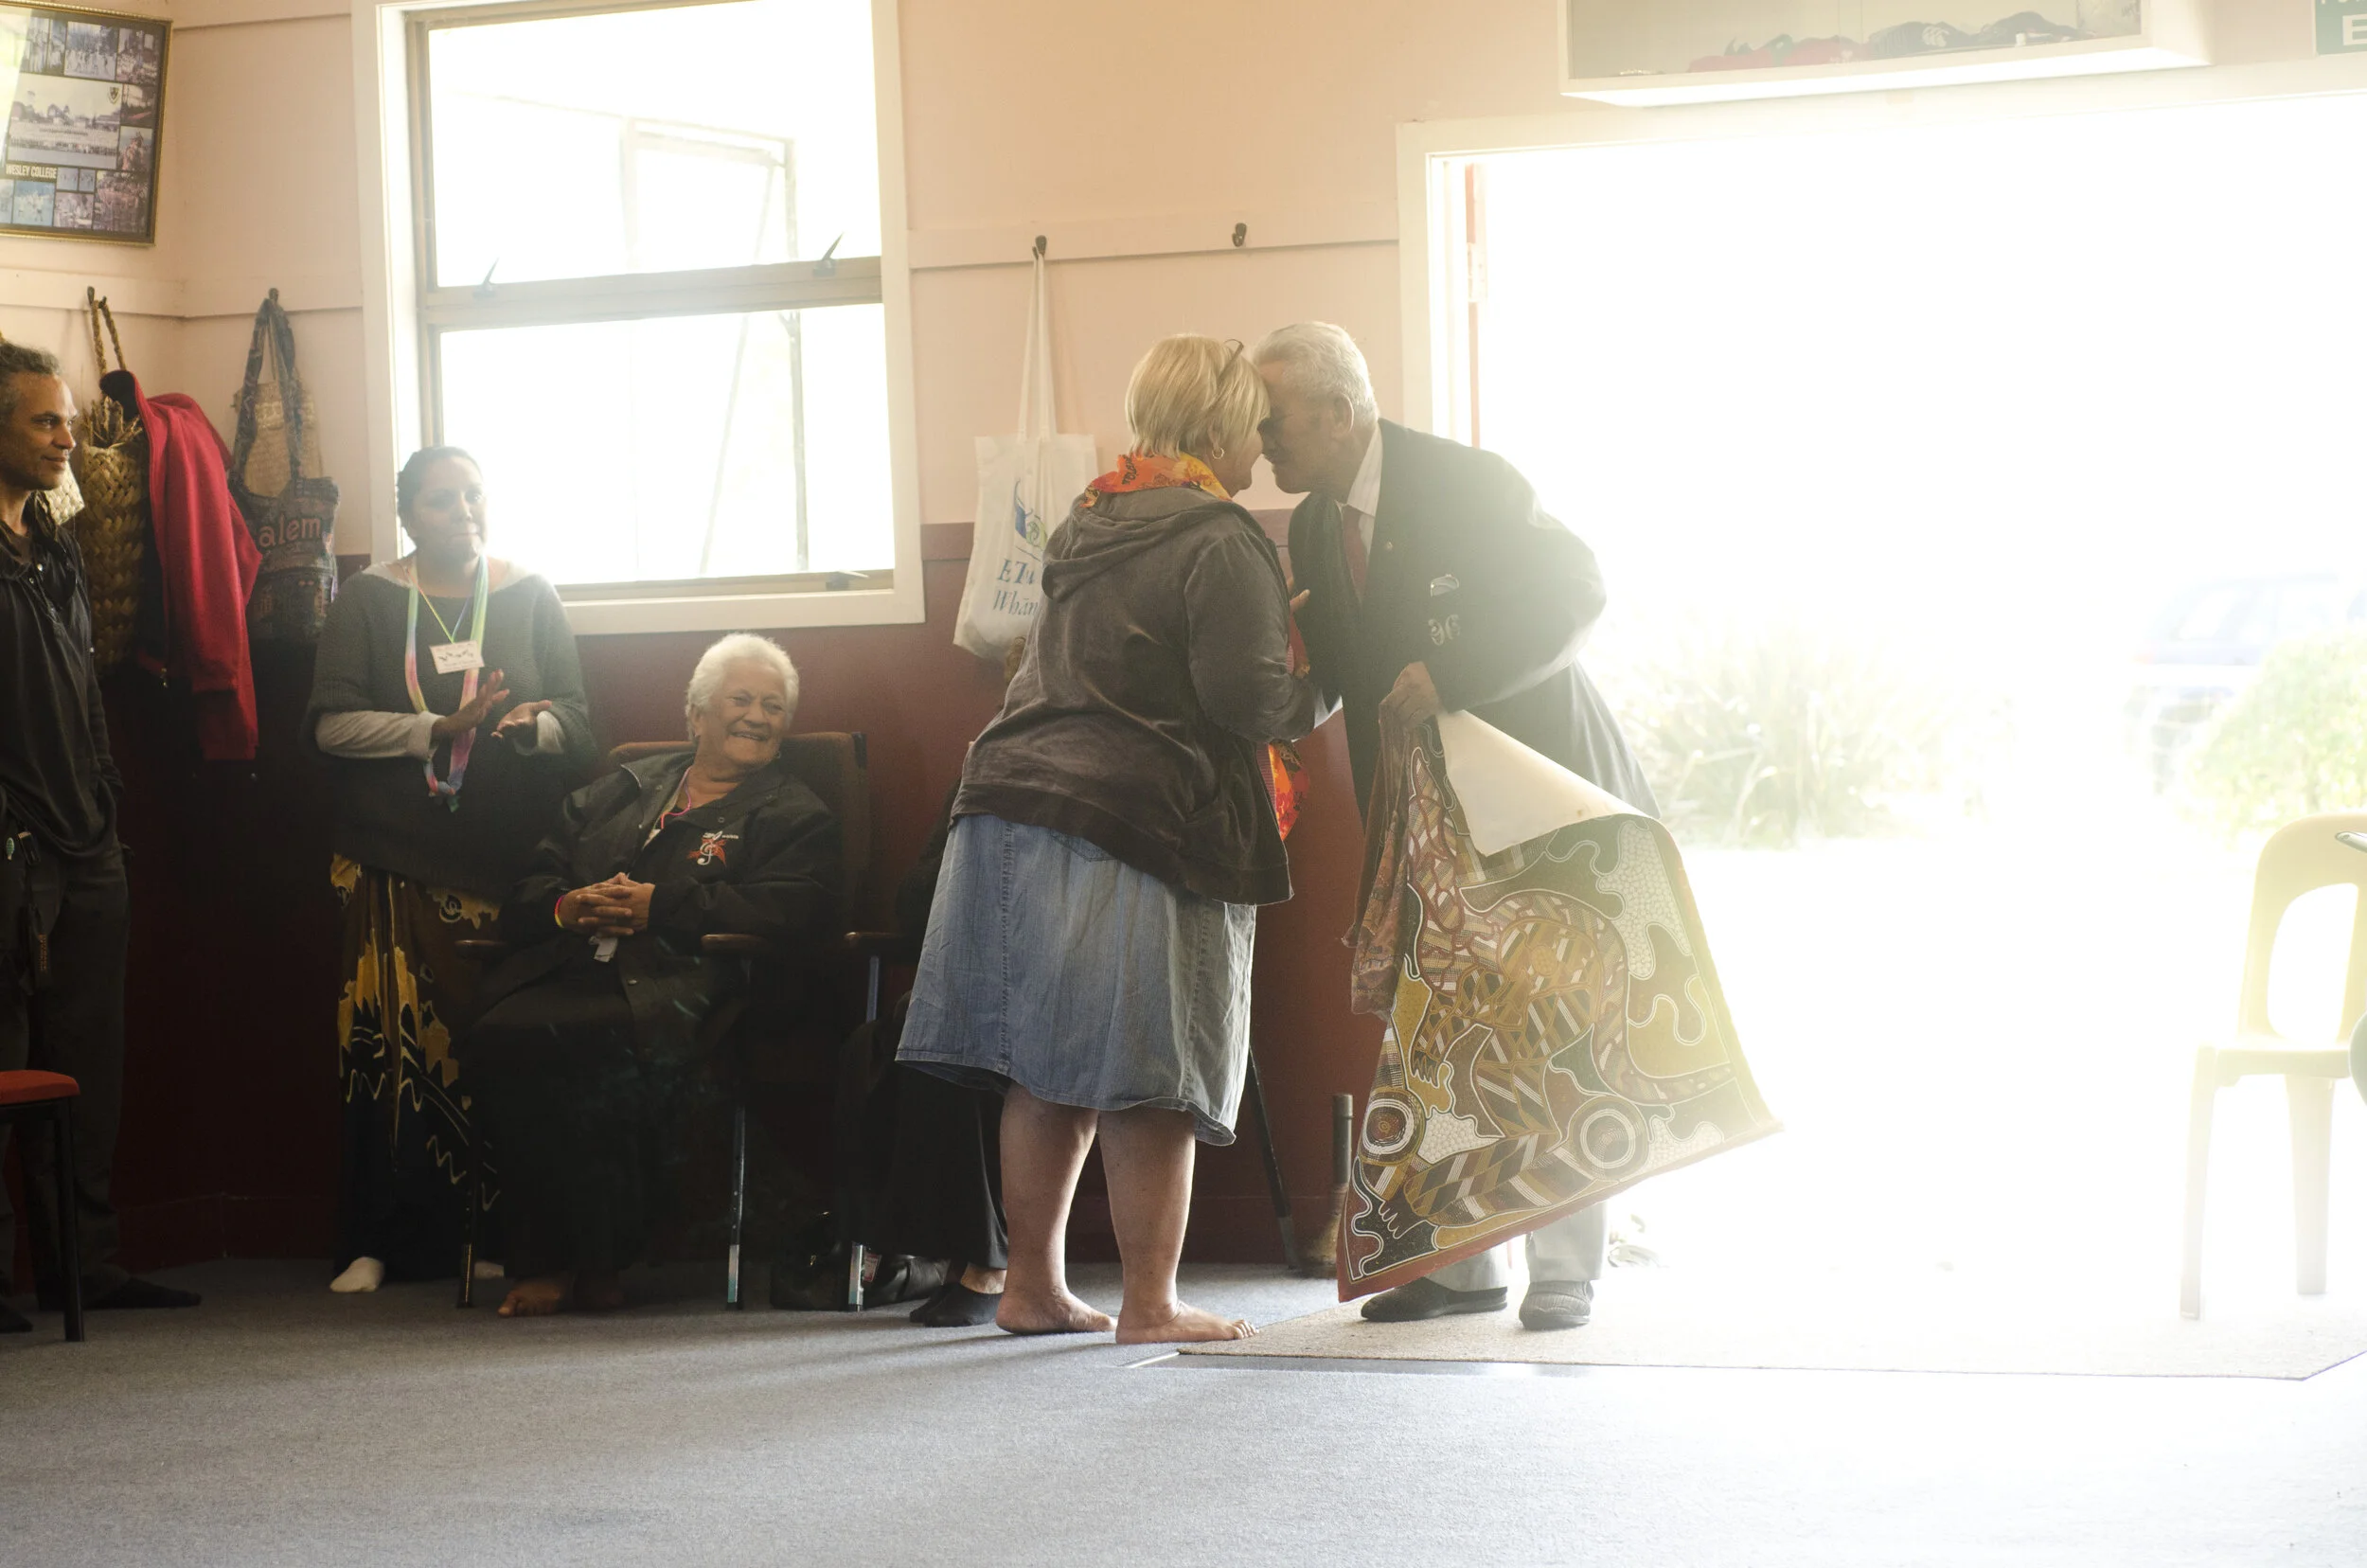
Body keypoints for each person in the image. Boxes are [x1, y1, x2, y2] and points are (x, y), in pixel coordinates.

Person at [899, 335, 1317, 1345]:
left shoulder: (1092, 514)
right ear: (1218, 422)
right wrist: (1326, 668)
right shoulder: (1221, 536)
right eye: (1252, 420)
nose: (1262, 440)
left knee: (1041, 1068)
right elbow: (1246, 699)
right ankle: (1149, 1303)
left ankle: (1030, 1287)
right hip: (1135, 816)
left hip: (1007, 801)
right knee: (1150, 1075)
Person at [1253, 321, 1657, 1333]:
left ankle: (1565, 1265)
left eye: (1275, 421)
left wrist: (1455, 672)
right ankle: (1462, 1262)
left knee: (1550, 1024)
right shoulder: (1309, 525)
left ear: (1339, 414)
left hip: (1532, 789)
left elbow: (1578, 591)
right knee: (1440, 1027)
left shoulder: (1468, 482)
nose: (1262, 444)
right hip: (1420, 816)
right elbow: (1339, 681)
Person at [461, 633, 842, 1318]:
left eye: (775, 706)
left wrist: (660, 906)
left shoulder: (794, 812)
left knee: (594, 1039)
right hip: (573, 966)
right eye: (742, 700)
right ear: (695, 714)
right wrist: (567, 905)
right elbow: (534, 880)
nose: (758, 716)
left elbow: (792, 910)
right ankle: (550, 1253)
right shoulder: (618, 789)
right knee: (501, 1033)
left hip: (697, 979)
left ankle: (594, 1260)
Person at [303, 446, 596, 1292]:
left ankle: (492, 1234)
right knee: (384, 1056)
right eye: (441, 500)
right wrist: (436, 728)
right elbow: (330, 728)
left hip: (507, 870)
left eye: (474, 494)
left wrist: (532, 725)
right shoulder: (367, 599)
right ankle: (376, 1242)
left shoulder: (529, 593)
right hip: (390, 861)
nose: (463, 510)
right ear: (408, 516)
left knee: (488, 1052)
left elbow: (582, 724)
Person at [0, 341, 198, 1329]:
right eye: (44, 421)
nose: (68, 437)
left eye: (65, 417)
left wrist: (106, 803)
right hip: (7, 853)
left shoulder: (57, 539)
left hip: (89, 842)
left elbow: (83, 685)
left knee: (89, 1070)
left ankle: (89, 1266)